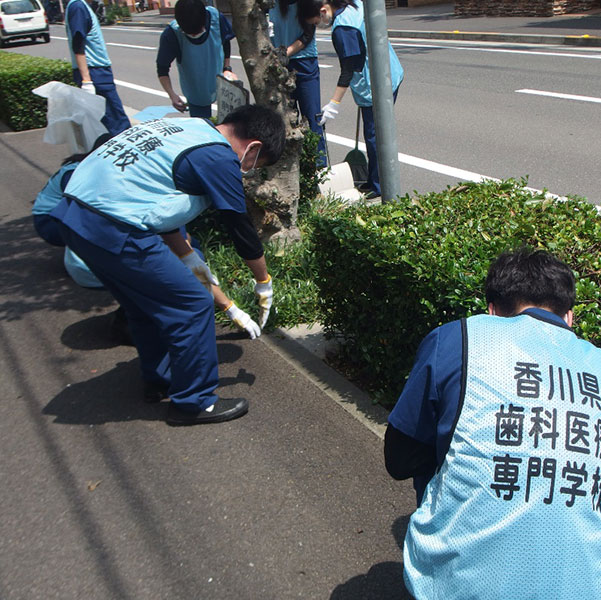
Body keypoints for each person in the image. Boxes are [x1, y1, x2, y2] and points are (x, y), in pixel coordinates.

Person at [384, 248, 601, 599]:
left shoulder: (458, 340)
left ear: (493, 309)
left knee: (442, 445)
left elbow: (399, 459)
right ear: (570, 317)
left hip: (458, 589)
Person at [50, 104, 285, 426]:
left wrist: (193, 263)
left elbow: (160, 211)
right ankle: (195, 402)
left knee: (144, 305)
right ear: (254, 147)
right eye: (257, 165)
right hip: (114, 227)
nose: (250, 171)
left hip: (73, 218)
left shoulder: (189, 129)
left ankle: (160, 380)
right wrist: (263, 280)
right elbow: (239, 226)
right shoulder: (218, 156)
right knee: (191, 304)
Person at [33, 137, 263, 341]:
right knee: (188, 298)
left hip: (79, 241)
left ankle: (143, 327)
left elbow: (183, 246)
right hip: (74, 245)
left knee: (185, 255)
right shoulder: (160, 201)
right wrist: (230, 308)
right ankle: (138, 329)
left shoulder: (108, 177)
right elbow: (185, 261)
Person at [299, 0, 403, 198]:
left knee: (375, 136)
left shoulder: (343, 29)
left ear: (323, 11)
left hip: (374, 86)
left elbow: (348, 69)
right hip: (390, 72)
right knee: (375, 134)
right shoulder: (354, 5)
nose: (318, 25)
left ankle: (380, 186)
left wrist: (334, 104)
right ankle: (374, 180)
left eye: (316, 22)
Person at [156, 0, 237, 119]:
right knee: (202, 123)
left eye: (197, 31)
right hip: (196, 89)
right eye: (189, 33)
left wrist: (227, 68)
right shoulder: (172, 34)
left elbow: (225, 42)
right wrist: (172, 95)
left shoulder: (216, 18)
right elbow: (162, 68)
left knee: (230, 121)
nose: (194, 36)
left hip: (221, 81)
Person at [269, 0, 326, 166]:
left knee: (311, 116)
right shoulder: (272, 5)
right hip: (280, 65)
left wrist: (286, 52)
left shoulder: (305, 3)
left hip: (304, 62)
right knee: (286, 119)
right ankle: (294, 167)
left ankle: (318, 167)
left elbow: (308, 34)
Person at [64, 0, 131, 136]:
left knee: (106, 123)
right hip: (94, 72)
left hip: (95, 71)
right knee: (116, 124)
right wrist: (87, 80)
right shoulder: (78, 7)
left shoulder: (79, 5)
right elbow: (78, 43)